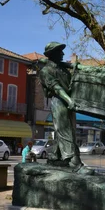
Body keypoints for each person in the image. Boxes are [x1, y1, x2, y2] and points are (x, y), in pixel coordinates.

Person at [39, 42, 91, 174]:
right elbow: (56, 88)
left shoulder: (62, 69)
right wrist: (69, 100)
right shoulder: (45, 71)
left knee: (68, 130)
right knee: (65, 130)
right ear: (52, 54)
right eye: (59, 51)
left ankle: (55, 157)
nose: (62, 54)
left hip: (68, 102)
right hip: (59, 102)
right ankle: (75, 163)